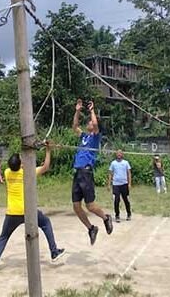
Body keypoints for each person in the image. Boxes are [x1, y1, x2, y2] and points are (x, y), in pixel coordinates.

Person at [0, 144, 65, 275]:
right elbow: (46, 167)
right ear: (20, 164)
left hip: (12, 212)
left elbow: (18, 165)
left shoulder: (7, 172)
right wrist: (48, 150)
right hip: (28, 211)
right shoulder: (27, 172)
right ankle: (54, 251)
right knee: (46, 223)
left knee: (3, 237)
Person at [71, 99, 112, 245]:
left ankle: (106, 218)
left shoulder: (95, 137)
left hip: (86, 173)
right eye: (88, 122)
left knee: (90, 206)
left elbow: (95, 124)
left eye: (90, 122)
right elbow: (75, 126)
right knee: (76, 206)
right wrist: (77, 110)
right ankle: (91, 228)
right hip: (77, 173)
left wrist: (92, 110)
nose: (88, 123)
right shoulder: (83, 136)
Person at [108, 150, 132, 222]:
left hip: (124, 184)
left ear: (122, 155)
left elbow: (129, 173)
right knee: (116, 200)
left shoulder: (125, 163)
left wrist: (129, 183)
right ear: (116, 155)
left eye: (120, 153)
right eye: (117, 153)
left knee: (126, 200)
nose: (119, 154)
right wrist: (109, 184)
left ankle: (129, 213)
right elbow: (110, 174)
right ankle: (117, 215)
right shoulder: (113, 163)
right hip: (116, 184)